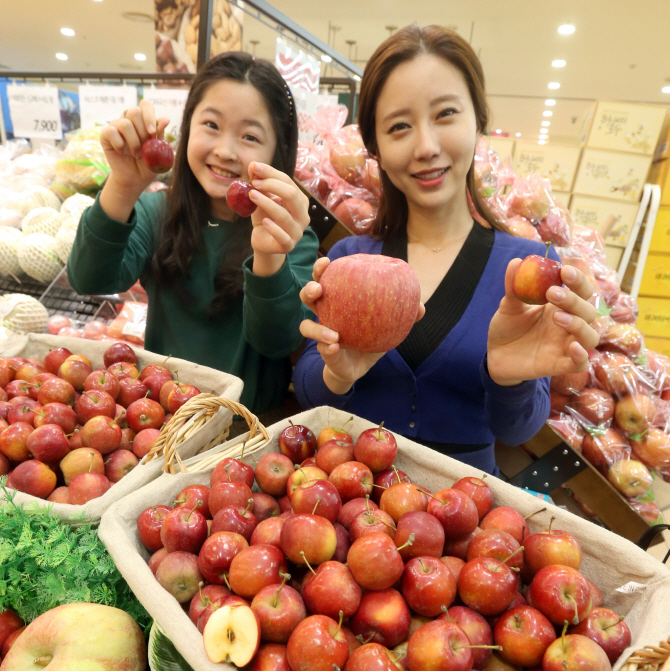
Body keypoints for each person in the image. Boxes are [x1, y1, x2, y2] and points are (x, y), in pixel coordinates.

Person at [293, 25, 599, 475]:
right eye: (399, 127)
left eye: (445, 114)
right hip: (352, 506)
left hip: (465, 517)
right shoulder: (347, 260)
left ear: (478, 121)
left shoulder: (525, 270)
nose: (426, 147)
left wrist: (509, 378)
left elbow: (517, 431)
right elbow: (307, 389)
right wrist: (338, 375)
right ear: (375, 147)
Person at [68, 52, 318, 419]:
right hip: (160, 423)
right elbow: (90, 277)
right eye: (211, 125)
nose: (225, 150)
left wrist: (268, 255)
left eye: (250, 135)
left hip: (246, 433)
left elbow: (278, 340)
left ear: (277, 153)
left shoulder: (292, 235)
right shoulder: (159, 214)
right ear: (187, 128)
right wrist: (122, 185)